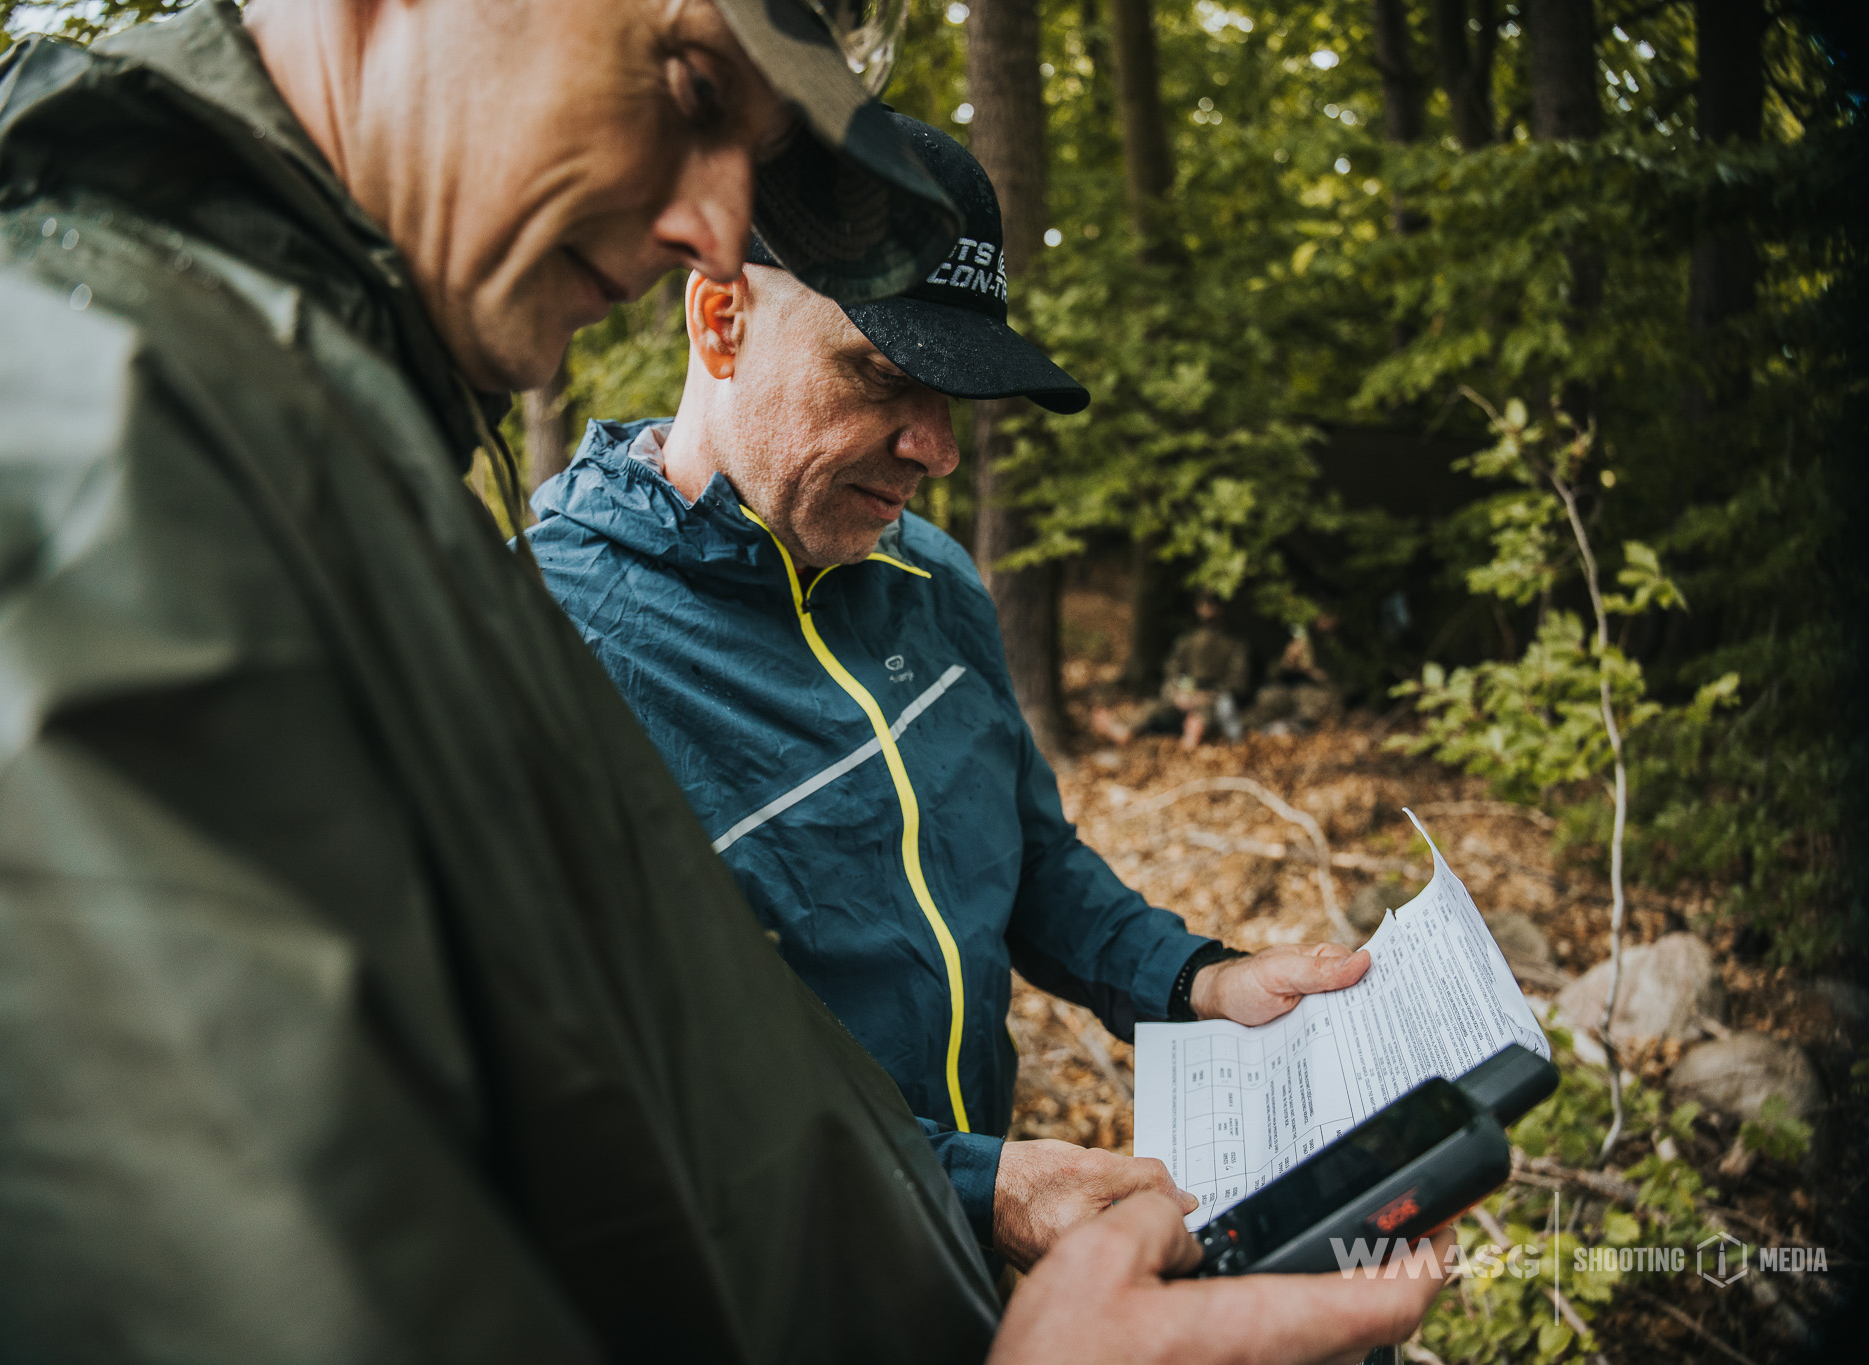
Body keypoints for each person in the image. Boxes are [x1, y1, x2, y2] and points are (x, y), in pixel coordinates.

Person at [0, 1, 1447, 1359]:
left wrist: (1119, 1062)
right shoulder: (80, 459)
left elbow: (630, 1124)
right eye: (681, 85)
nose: (707, 211)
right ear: (720, 328)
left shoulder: (375, 490)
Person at [525, 113, 1375, 1269]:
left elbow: (1025, 861)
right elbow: (594, 1096)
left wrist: (1197, 979)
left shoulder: (931, 576)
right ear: (719, 316)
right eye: (883, 373)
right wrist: (976, 1186)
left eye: (957, 396)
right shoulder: (543, 642)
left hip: (957, 1257)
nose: (937, 450)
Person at [1092, 595, 1250, 751]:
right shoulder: (1187, 642)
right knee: (1153, 708)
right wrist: (1178, 693)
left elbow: (1238, 683)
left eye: (1213, 605)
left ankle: (1193, 735)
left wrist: (1205, 696)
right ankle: (1125, 728)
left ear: (1221, 608)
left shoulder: (1235, 645)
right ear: (1198, 607)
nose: (1208, 610)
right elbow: (1172, 671)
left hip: (1212, 700)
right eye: (1205, 604)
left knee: (1203, 716)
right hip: (1184, 695)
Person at [1244, 614, 1347, 736]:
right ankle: (1253, 729)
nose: (1322, 621)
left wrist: (1313, 672)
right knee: (1266, 697)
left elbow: (1343, 685)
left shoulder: (1336, 646)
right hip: (1289, 689)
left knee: (1312, 706)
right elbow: (1271, 673)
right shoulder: (1297, 640)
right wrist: (1285, 663)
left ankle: (1296, 729)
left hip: (1316, 692)